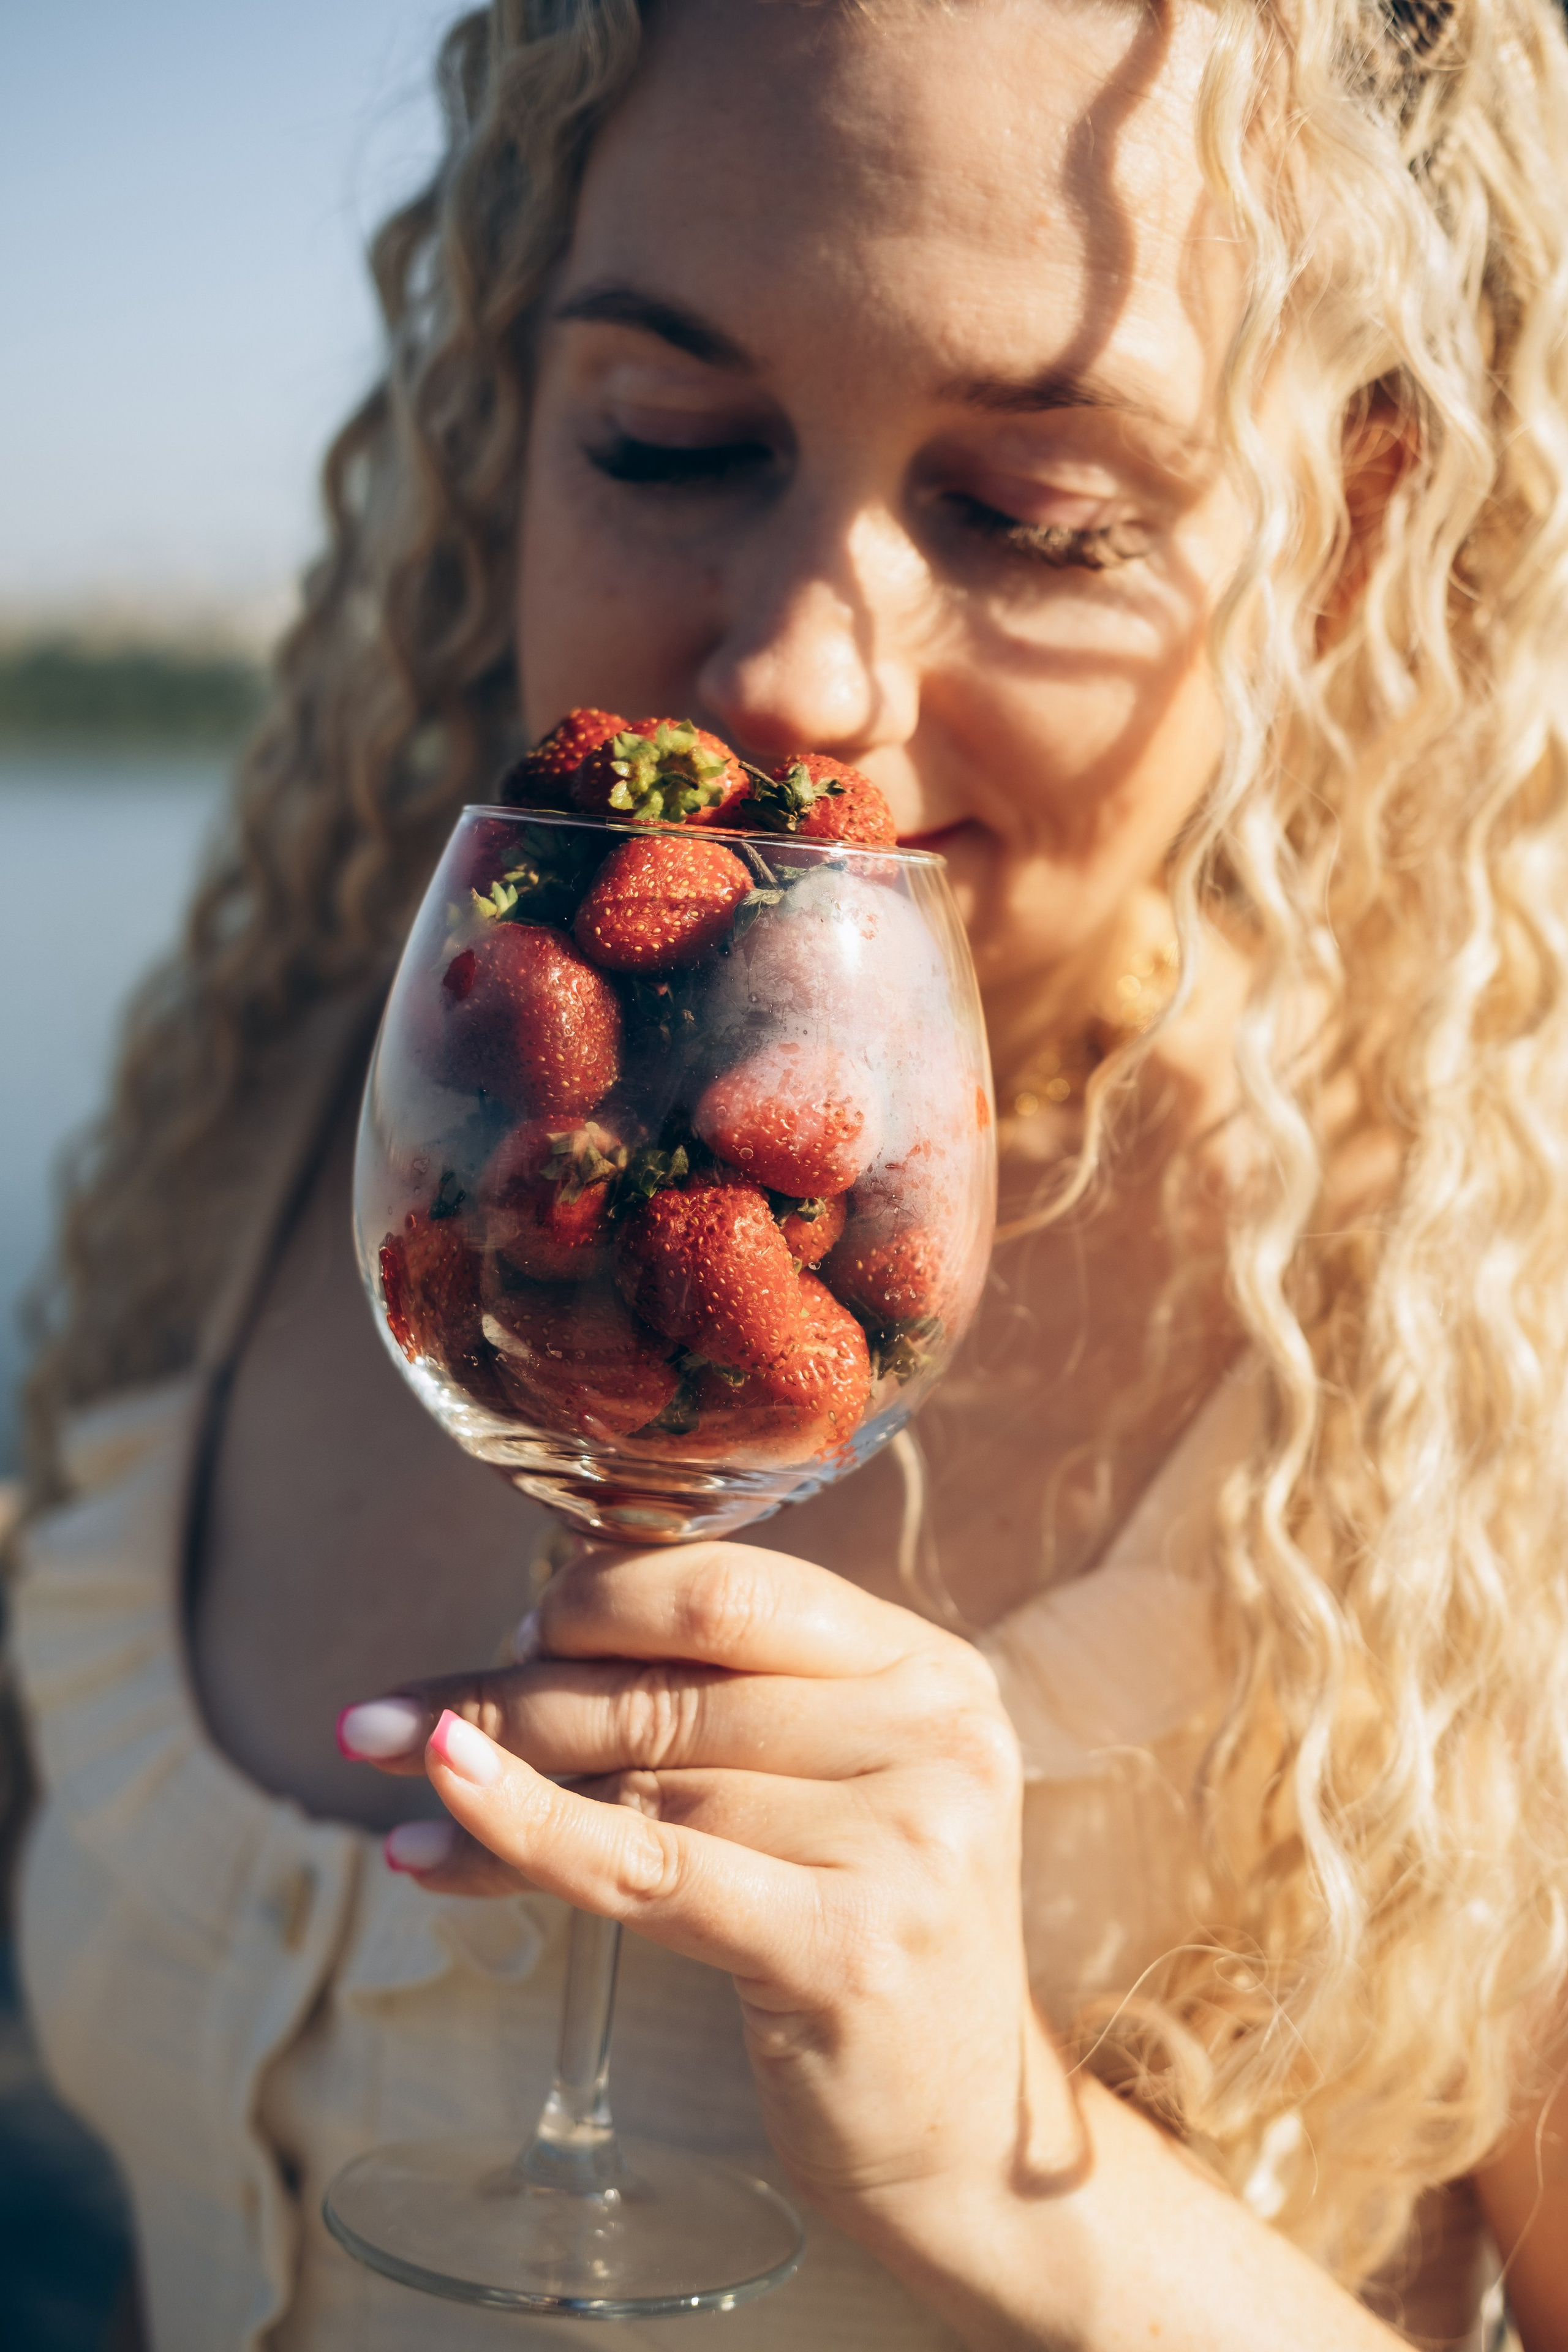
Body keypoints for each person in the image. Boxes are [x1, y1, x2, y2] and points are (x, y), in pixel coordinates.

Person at [8, 0, 1568, 2343]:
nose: (805, 678)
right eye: (672, 440)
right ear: (507, 409)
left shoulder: (1481, 1374)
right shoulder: (334, 1114)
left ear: (1340, 542)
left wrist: (1011, 2172)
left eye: (1029, 516)